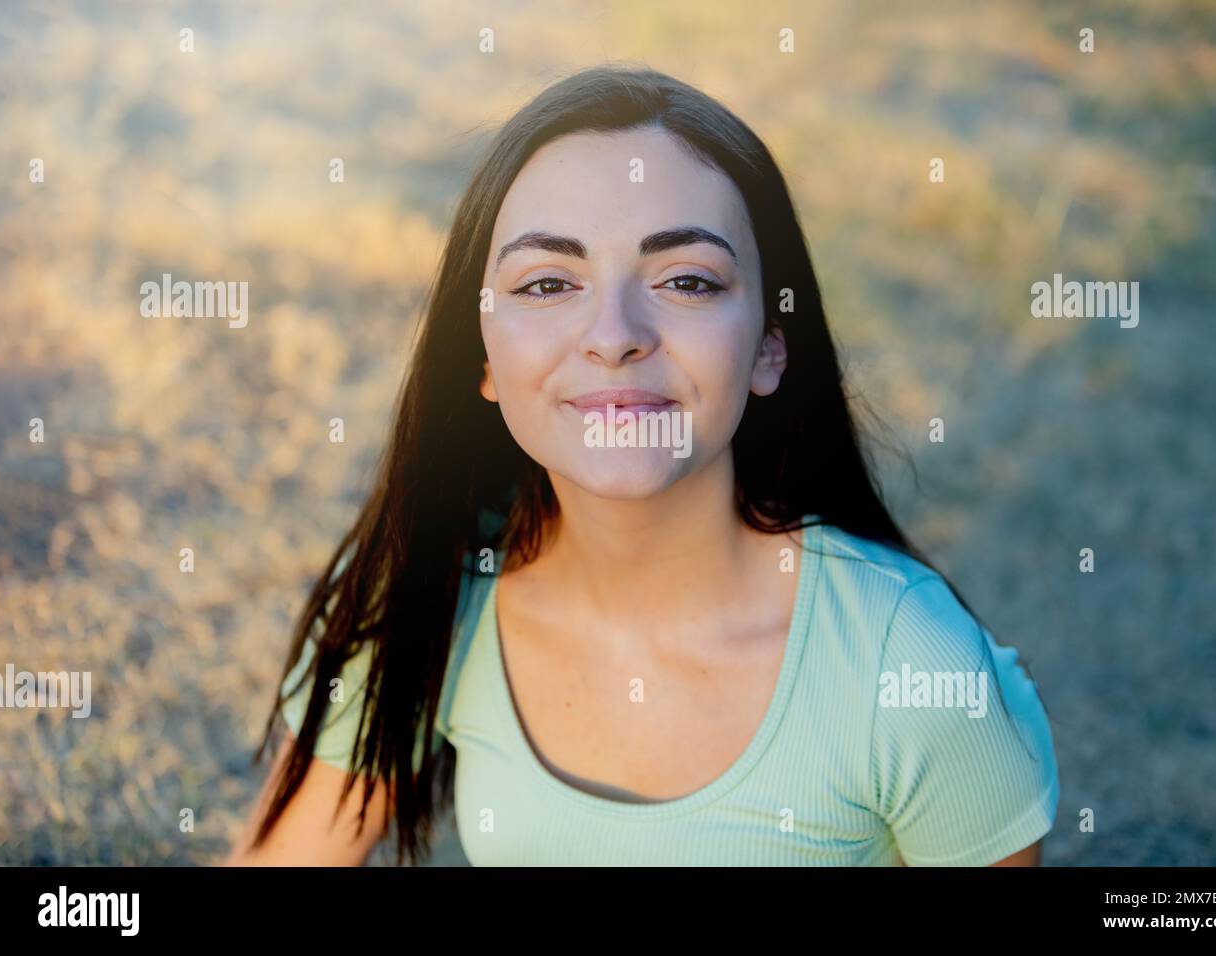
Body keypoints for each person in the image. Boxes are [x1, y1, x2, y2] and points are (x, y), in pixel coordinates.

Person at [223, 64, 1058, 867]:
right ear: (480, 359)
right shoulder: (427, 595)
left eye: (688, 281)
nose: (615, 333)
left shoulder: (910, 663)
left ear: (772, 347)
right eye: (548, 284)